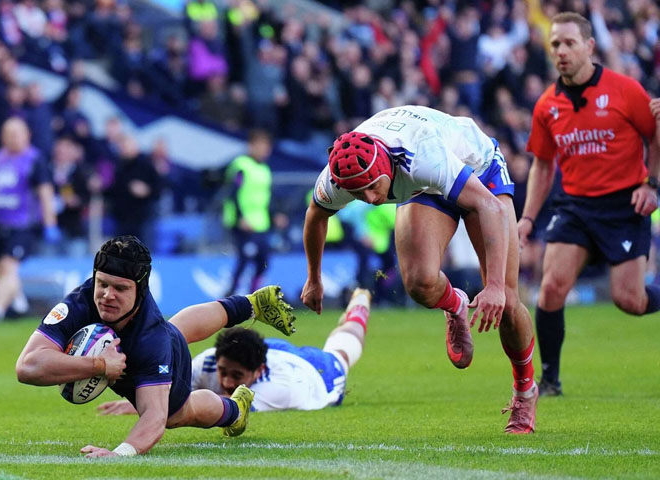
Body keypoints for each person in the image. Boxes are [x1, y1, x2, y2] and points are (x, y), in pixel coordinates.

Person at [301, 105, 538, 434]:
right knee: (419, 283)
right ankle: (455, 304)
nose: (369, 198)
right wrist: (313, 278)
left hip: (479, 172)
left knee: (508, 302)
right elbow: (316, 215)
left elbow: (489, 207)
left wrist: (495, 286)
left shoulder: (422, 158)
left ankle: (525, 390)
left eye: (371, 186)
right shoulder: (337, 175)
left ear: (384, 166)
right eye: (356, 193)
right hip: (426, 186)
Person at [15, 235, 296, 457]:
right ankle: (251, 304)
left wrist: (119, 454)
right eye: (102, 284)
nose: (107, 296)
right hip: (143, 343)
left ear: (140, 290)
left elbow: (155, 418)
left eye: (120, 288)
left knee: (176, 413)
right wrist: (99, 365)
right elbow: (27, 367)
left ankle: (235, 410)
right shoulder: (80, 301)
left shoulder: (152, 338)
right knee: (175, 331)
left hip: (156, 347)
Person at [519, 12, 660, 397]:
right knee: (550, 289)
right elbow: (543, 164)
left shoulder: (625, 89)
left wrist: (652, 185)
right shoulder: (546, 105)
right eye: (555, 44)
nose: (561, 51)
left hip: (625, 205)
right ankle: (549, 381)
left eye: (569, 43)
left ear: (589, 46)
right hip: (576, 207)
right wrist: (527, 218)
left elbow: (655, 135)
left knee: (630, 301)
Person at [98, 287, 371, 415]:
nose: (227, 381)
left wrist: (149, 409)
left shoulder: (280, 389)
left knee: (342, 352)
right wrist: (141, 402)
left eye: (237, 376)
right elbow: (166, 390)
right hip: (267, 349)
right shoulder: (207, 362)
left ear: (259, 371)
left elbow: (222, 407)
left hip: (313, 372)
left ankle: (360, 304)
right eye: (223, 371)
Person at [0, 117, 59, 321]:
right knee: (0, 266)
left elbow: (45, 191)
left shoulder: (34, 159)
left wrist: (50, 223)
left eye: (16, 134)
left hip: (22, 224)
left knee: (8, 264)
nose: (12, 138)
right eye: (7, 134)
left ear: (27, 135)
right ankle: (19, 303)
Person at [222, 129, 273, 295]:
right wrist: (240, 218)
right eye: (261, 146)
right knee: (245, 259)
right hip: (242, 222)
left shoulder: (265, 169)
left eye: (267, 146)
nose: (265, 150)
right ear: (251, 146)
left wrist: (275, 215)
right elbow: (233, 193)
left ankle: (253, 295)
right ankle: (230, 294)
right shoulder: (241, 165)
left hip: (261, 222)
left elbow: (266, 197)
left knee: (263, 261)